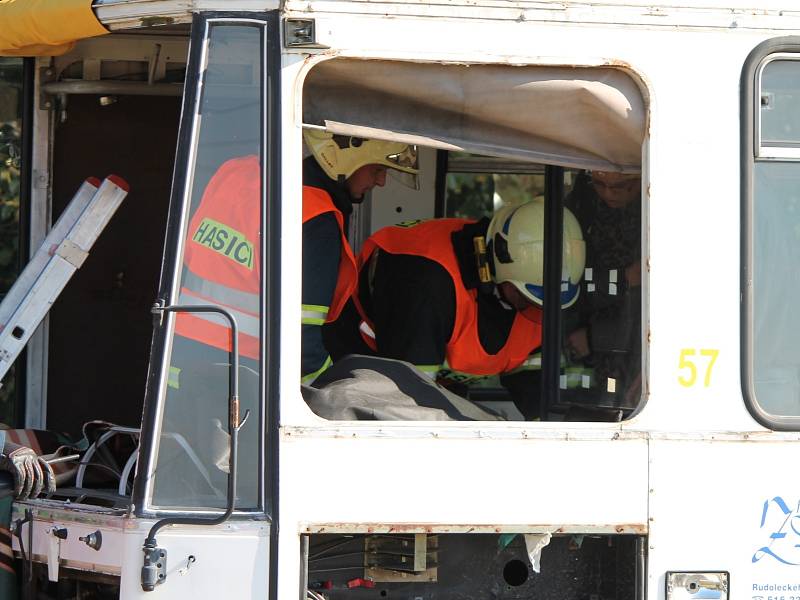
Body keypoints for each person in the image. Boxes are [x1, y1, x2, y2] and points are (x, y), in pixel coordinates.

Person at [324, 198, 585, 415]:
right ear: (496, 266)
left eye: (541, 305)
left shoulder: (538, 293)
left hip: (431, 389)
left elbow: (532, 381)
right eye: (525, 298)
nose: (533, 311)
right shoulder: (425, 278)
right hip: (356, 384)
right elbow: (409, 401)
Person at [301, 129, 418, 382]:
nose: (382, 182)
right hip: (252, 368)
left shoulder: (244, 176)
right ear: (344, 158)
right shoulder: (318, 220)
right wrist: (329, 392)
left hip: (205, 350)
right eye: (377, 169)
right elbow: (301, 339)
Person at [562, 170, 642, 408]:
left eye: (620, 186)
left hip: (635, 354)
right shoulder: (578, 213)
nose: (608, 193)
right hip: (589, 356)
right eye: (599, 183)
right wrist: (625, 279)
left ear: (643, 178)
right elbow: (569, 286)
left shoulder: (659, 210)